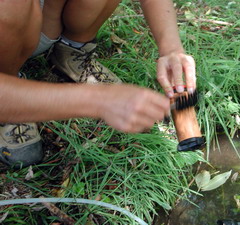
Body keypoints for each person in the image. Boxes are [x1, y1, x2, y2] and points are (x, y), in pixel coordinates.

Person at [0, 0, 196, 168]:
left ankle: (73, 47)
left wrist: (171, 48)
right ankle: (12, 92)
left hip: (46, 20)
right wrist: (98, 100)